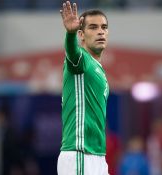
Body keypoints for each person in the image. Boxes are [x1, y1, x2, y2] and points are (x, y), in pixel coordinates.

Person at [57, 1, 110, 175]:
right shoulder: (81, 61)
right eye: (93, 27)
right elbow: (72, 52)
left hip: (98, 156)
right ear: (81, 34)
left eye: (104, 27)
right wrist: (70, 34)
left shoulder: (98, 68)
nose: (100, 31)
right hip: (80, 154)